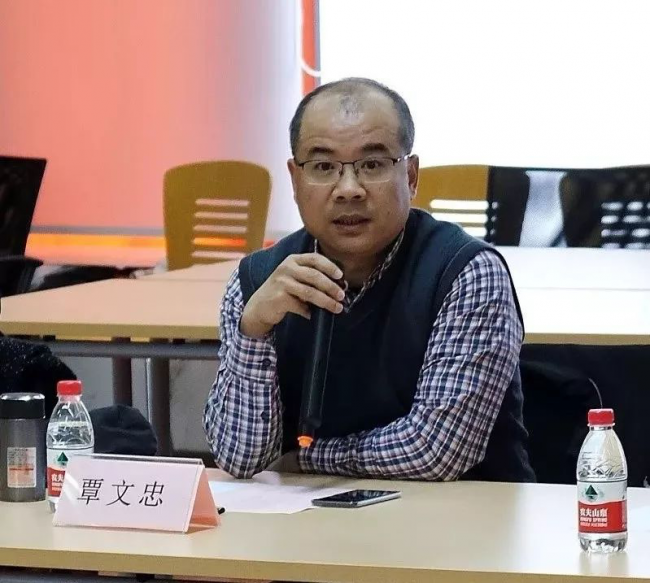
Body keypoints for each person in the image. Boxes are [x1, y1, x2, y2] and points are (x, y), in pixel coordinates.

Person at [203, 77, 535, 482]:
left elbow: (435, 452)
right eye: (323, 167)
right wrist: (253, 333)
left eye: (373, 165)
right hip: (311, 518)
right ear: (295, 179)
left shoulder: (464, 273)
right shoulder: (258, 282)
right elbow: (239, 459)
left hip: (463, 515)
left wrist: (306, 459)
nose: (348, 189)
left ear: (411, 176)